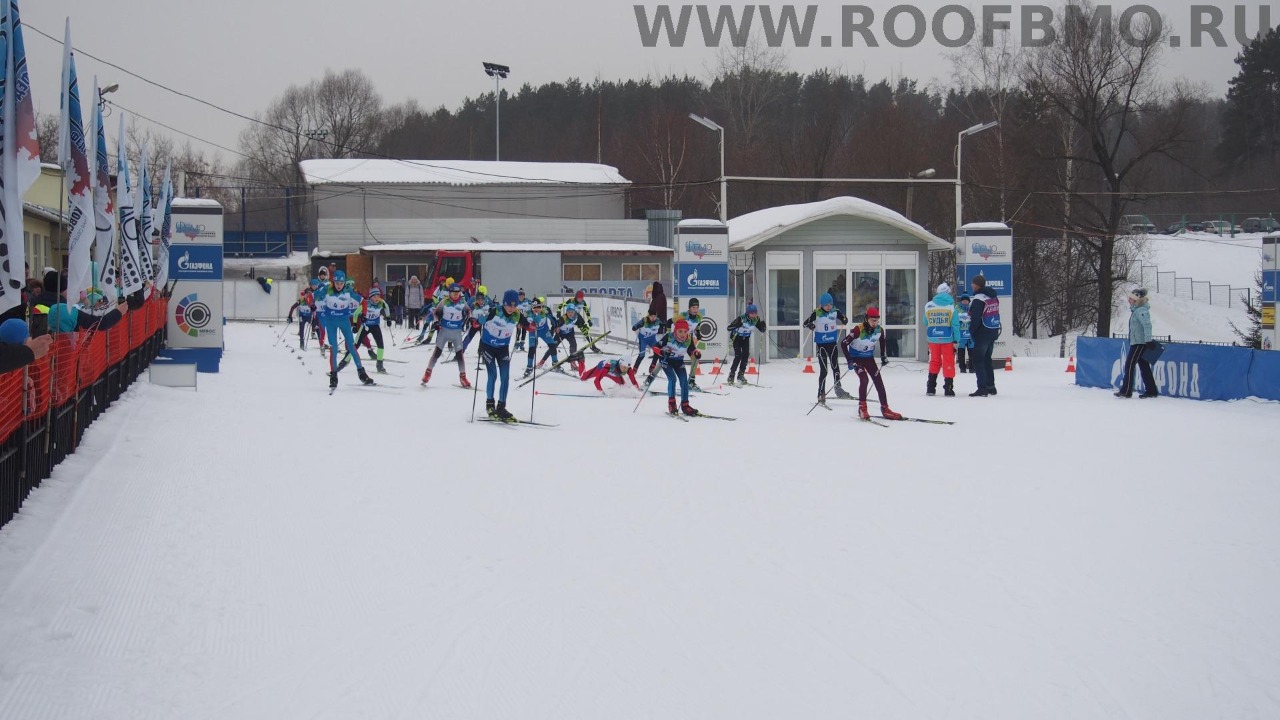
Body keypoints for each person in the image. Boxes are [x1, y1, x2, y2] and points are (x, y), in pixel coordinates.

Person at [314, 270, 375, 389]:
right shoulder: (327, 289)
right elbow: (311, 297)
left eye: (341, 283)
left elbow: (363, 302)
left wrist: (363, 314)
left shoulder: (348, 291)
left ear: (344, 283)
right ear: (333, 281)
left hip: (344, 321)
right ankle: (334, 376)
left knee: (352, 347)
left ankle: (362, 373)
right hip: (331, 321)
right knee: (334, 348)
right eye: (337, 283)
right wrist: (312, 304)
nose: (339, 285)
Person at [840, 306, 903, 421]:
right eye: (872, 320)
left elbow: (883, 341)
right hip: (856, 359)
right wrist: (849, 360)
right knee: (864, 379)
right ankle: (862, 408)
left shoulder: (880, 330)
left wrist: (883, 355)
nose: (875, 323)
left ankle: (885, 408)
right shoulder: (858, 329)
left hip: (869, 359)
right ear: (866, 319)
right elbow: (843, 343)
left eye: (877, 320)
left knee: (878, 381)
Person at [477, 289, 531, 421]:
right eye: (509, 305)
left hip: (503, 348)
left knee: (505, 376)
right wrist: (478, 321)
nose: (512, 308)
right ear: (504, 303)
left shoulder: (517, 315)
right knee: (493, 375)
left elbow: (528, 326)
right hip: (488, 347)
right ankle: (490, 404)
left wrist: (532, 327)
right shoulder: (495, 311)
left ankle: (501, 407)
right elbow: (480, 320)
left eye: (515, 305)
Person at [421, 283, 472, 386]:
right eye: (453, 293)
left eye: (458, 293)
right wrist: (436, 323)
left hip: (456, 333)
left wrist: (468, 320)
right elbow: (436, 313)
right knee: (437, 353)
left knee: (460, 355)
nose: (456, 295)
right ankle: (427, 373)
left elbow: (468, 311)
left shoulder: (462, 302)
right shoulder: (444, 302)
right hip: (444, 331)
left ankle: (463, 377)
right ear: (450, 293)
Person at [803, 293, 851, 402]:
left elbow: (843, 317)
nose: (829, 307)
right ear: (821, 305)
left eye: (830, 304)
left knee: (836, 367)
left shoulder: (835, 311)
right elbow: (805, 323)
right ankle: (821, 393)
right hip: (822, 346)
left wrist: (845, 319)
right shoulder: (817, 313)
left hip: (832, 344)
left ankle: (838, 389)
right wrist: (811, 325)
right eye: (826, 305)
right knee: (824, 371)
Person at [653, 318, 701, 416]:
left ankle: (685, 405)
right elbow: (655, 348)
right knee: (673, 379)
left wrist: (696, 353)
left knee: (684, 381)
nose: (683, 334)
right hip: (666, 361)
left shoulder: (688, 339)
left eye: (685, 331)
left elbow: (691, 350)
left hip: (678, 361)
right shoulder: (669, 337)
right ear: (675, 331)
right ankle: (672, 404)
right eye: (680, 331)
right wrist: (662, 352)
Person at [1116, 287, 1158, 398]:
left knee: (1129, 365)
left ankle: (1126, 391)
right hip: (1137, 342)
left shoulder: (1141, 311)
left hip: (1139, 343)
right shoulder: (1137, 310)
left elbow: (1147, 325)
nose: (1129, 300)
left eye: (1131, 298)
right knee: (1144, 366)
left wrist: (1148, 340)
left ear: (1137, 300)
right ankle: (1151, 390)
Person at [923, 283, 962, 397]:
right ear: (947, 292)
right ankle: (948, 388)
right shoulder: (951, 307)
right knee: (948, 361)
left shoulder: (929, 305)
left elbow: (925, 322)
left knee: (934, 361)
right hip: (947, 338)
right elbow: (955, 325)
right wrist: (956, 340)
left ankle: (931, 387)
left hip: (933, 338)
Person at [967, 275, 1002, 397]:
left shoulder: (978, 299)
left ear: (977, 285)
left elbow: (975, 318)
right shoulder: (992, 296)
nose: (972, 285)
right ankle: (991, 387)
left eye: (973, 283)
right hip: (992, 330)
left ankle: (982, 388)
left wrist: (971, 331)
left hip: (982, 332)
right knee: (987, 359)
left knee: (978, 360)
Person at [348, 286, 391, 373]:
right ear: (371, 297)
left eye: (378, 296)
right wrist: (355, 325)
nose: (377, 298)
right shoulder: (366, 303)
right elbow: (356, 313)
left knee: (381, 345)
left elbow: (386, 308)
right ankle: (345, 361)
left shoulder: (381, 303)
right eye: (374, 296)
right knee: (355, 345)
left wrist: (388, 318)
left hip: (375, 326)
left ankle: (380, 365)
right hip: (365, 326)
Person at [725, 304, 766, 385]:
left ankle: (741, 375)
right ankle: (731, 374)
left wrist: (762, 327)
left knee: (746, 355)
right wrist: (737, 325)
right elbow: (729, 328)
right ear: (748, 313)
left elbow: (760, 329)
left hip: (745, 338)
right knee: (738, 355)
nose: (754, 315)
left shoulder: (756, 319)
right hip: (736, 338)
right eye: (752, 313)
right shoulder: (741, 318)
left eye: (755, 313)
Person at [548, 303, 589, 374]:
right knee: (553, 347)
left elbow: (582, 324)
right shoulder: (563, 318)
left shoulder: (577, 316)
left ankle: (572, 363)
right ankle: (542, 361)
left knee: (574, 345)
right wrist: (555, 328)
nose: (570, 314)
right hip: (560, 334)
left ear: (575, 312)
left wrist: (585, 328)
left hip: (570, 333)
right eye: (568, 312)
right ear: (566, 312)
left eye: (572, 312)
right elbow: (555, 324)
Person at [675, 298, 706, 390]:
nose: (695, 310)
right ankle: (650, 378)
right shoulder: (683, 316)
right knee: (666, 359)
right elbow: (670, 323)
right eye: (693, 307)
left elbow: (697, 326)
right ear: (689, 308)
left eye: (697, 307)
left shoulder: (699, 316)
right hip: (676, 340)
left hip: (688, 340)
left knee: (695, 356)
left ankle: (691, 381)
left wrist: (698, 333)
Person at [525, 297, 559, 377]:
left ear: (541, 307)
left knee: (552, 345)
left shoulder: (545, 311)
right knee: (532, 348)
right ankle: (529, 367)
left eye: (538, 307)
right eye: (534, 308)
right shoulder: (529, 313)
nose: (537, 309)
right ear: (532, 308)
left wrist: (556, 326)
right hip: (533, 331)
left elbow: (552, 318)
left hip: (544, 331)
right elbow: (527, 321)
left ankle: (555, 363)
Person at [286, 280, 318, 350]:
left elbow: (315, 309)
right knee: (301, 329)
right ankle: (302, 344)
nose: (308, 296)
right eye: (307, 294)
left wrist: (313, 309)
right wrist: (290, 317)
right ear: (304, 294)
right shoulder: (301, 300)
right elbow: (292, 307)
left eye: (309, 294)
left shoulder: (312, 300)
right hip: (302, 317)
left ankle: (321, 344)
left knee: (316, 327)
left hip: (309, 317)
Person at [461, 285, 492, 352]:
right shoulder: (473, 299)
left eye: (483, 295)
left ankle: (481, 352)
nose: (481, 299)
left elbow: (493, 308)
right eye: (479, 296)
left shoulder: (487, 301)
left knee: (483, 339)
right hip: (475, 322)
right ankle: (461, 351)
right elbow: (467, 308)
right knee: (469, 337)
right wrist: (470, 318)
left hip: (484, 324)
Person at [956, 293, 974, 373]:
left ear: (969, 301)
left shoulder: (972, 308)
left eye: (966, 300)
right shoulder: (957, 308)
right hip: (961, 335)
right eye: (963, 300)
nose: (965, 301)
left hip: (970, 335)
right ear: (961, 301)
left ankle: (972, 368)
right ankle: (962, 368)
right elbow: (955, 320)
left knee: (972, 353)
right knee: (961, 354)